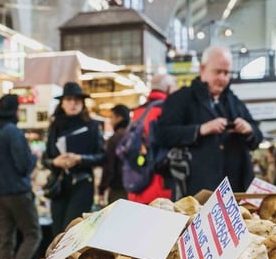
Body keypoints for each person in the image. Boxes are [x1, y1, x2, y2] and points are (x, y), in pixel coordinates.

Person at [157, 46, 262, 197]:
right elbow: (163, 134)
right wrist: (201, 129)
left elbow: (257, 137)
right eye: (217, 71)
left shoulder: (234, 102)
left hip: (237, 190)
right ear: (202, 69)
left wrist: (248, 129)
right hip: (196, 191)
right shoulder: (181, 99)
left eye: (226, 73)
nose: (223, 78)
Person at [0, 94, 42, 259]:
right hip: (17, 192)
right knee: (33, 234)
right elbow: (23, 165)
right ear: (16, 110)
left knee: (6, 238)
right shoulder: (12, 131)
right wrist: (35, 156)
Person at [43, 82, 105, 237]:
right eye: (69, 99)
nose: (73, 103)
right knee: (57, 232)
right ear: (62, 103)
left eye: (77, 100)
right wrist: (55, 162)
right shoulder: (55, 126)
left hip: (82, 183)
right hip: (59, 184)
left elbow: (102, 156)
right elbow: (45, 158)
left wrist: (79, 158)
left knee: (73, 230)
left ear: (82, 103)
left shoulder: (92, 126)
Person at [128, 73, 176, 204]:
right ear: (168, 89)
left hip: (137, 183)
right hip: (159, 183)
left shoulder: (137, 112)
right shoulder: (167, 110)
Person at [98, 104, 131, 204]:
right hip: (136, 187)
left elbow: (108, 166)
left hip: (118, 188)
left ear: (119, 118)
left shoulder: (115, 139)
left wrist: (102, 189)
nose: (111, 121)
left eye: (112, 117)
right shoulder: (135, 135)